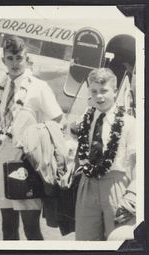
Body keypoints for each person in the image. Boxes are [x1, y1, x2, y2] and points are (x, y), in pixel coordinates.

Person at [0, 35, 63, 240]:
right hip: (3, 161)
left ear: (27, 58)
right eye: (10, 58)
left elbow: (58, 120)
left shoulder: (38, 87)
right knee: (8, 228)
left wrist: (37, 145)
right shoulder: (0, 87)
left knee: (31, 229)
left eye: (19, 58)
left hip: (26, 164)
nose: (14, 63)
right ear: (3, 59)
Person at [75, 68, 136, 240]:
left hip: (115, 185)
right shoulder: (85, 119)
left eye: (104, 91)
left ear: (115, 91)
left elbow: (138, 163)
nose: (99, 96)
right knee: (85, 240)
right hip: (88, 185)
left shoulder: (128, 123)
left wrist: (132, 195)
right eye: (94, 91)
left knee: (116, 238)